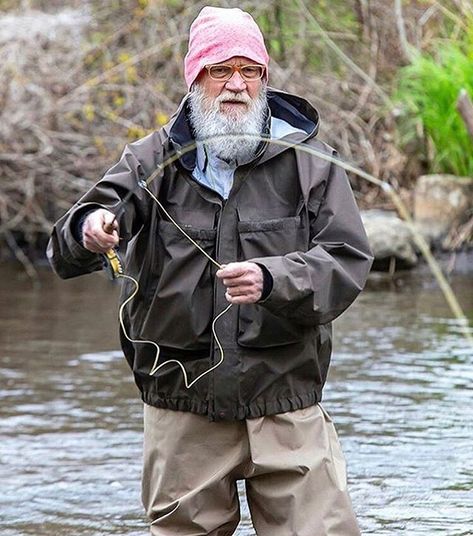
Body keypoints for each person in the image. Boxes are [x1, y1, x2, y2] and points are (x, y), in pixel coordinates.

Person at [48, 6, 373, 535]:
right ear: (194, 76)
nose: (236, 85)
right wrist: (89, 228)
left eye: (250, 71)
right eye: (221, 70)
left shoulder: (311, 160)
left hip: (286, 398)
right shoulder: (148, 160)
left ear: (264, 79)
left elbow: (346, 260)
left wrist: (272, 279)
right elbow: (65, 246)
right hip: (182, 403)